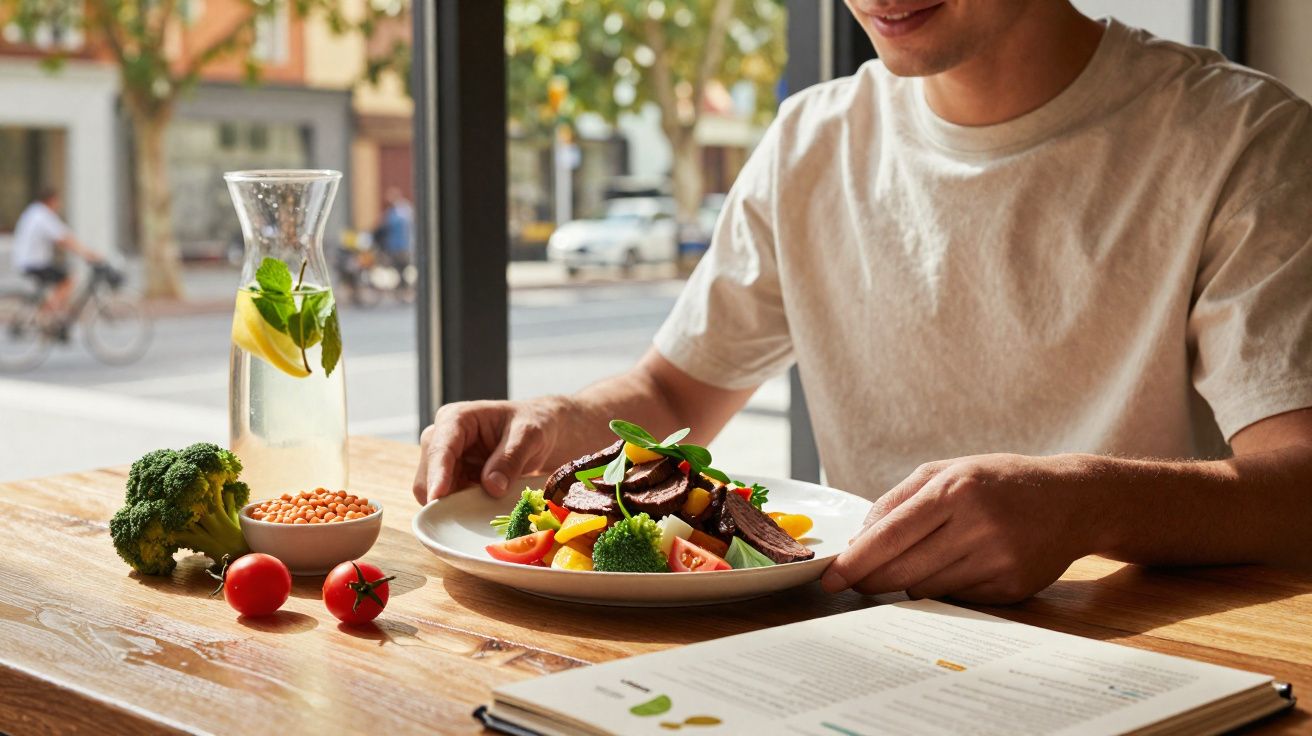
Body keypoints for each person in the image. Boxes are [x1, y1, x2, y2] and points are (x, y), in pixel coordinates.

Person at [413, 0, 1312, 604]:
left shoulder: (1242, 141)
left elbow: (1300, 490)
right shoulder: (812, 138)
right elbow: (678, 397)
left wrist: (1085, 504)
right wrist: (564, 418)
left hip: (1143, 663)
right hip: (862, 653)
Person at [11, 187, 100, 324]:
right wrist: (87, 254)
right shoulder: (43, 215)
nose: (59, 205)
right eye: (58, 201)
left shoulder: (33, 211)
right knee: (68, 280)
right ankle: (46, 314)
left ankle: (52, 313)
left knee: (62, 276)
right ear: (51, 200)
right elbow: (63, 238)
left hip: (27, 261)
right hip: (35, 263)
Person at [377, 187, 414, 273]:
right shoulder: (395, 211)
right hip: (395, 246)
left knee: (402, 269)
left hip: (402, 246)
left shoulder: (401, 211)